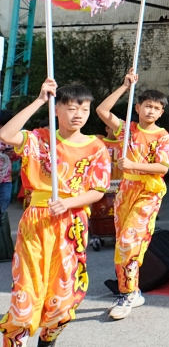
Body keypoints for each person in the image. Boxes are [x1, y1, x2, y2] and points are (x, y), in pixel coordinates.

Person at [0, 80, 110, 346]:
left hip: (72, 224)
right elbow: (6, 134)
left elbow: (98, 190)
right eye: (71, 108)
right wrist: (39, 99)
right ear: (56, 109)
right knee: (27, 289)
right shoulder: (39, 139)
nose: (78, 115)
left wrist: (70, 204)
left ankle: (47, 340)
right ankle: (16, 338)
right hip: (36, 222)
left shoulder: (96, 147)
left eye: (84, 109)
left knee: (64, 293)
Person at [95, 70, 169, 319]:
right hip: (125, 191)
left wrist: (133, 166)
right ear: (137, 107)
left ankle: (128, 295)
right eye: (147, 106)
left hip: (148, 192)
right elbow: (102, 111)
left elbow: (163, 168)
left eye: (157, 108)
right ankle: (130, 290)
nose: (151, 111)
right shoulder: (126, 129)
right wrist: (124, 87)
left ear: (161, 113)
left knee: (130, 240)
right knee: (122, 244)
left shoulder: (163, 137)